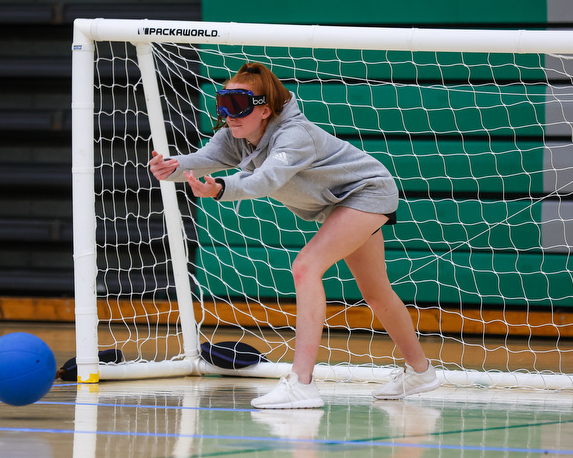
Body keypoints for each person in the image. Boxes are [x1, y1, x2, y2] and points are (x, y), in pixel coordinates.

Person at [149, 63, 440, 408]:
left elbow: (266, 179)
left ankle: (301, 382)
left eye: (238, 105)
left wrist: (220, 188)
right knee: (376, 293)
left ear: (265, 108)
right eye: (222, 104)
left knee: (306, 266)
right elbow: (202, 160)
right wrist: (172, 168)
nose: (229, 115)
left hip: (367, 192)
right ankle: (421, 372)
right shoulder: (236, 135)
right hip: (338, 205)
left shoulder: (294, 134)